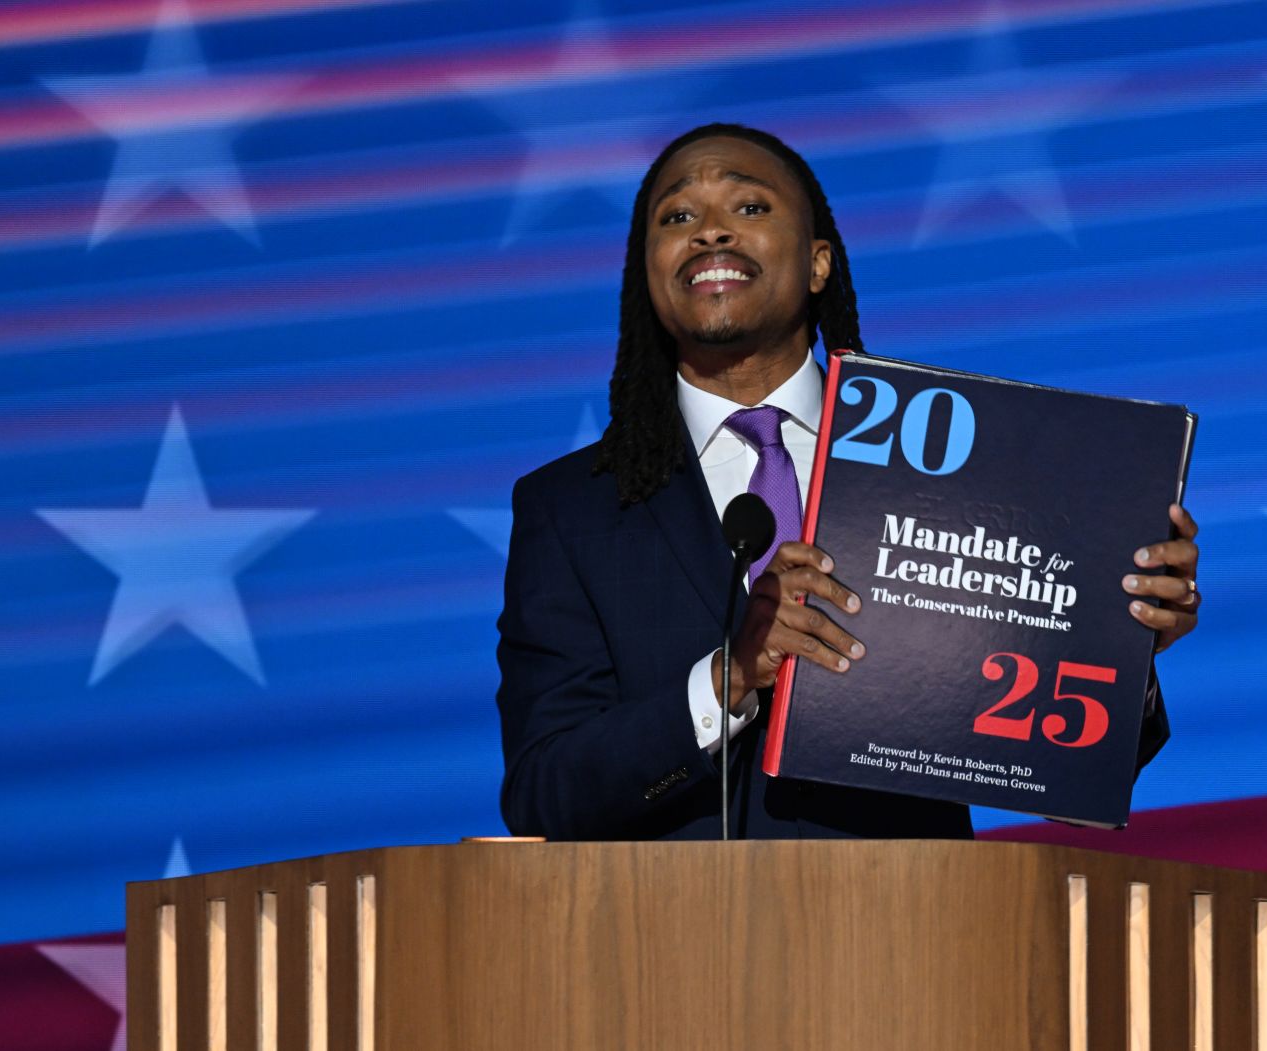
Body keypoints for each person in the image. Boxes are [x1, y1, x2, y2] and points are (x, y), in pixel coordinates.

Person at [495, 123, 1200, 840]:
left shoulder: (946, 461)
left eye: (749, 208)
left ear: (818, 263)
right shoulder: (570, 510)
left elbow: (1070, 772)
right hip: (675, 940)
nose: (709, 233)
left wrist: (1116, 636)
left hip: (917, 930)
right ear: (647, 274)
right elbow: (543, 793)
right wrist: (729, 676)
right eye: (677, 217)